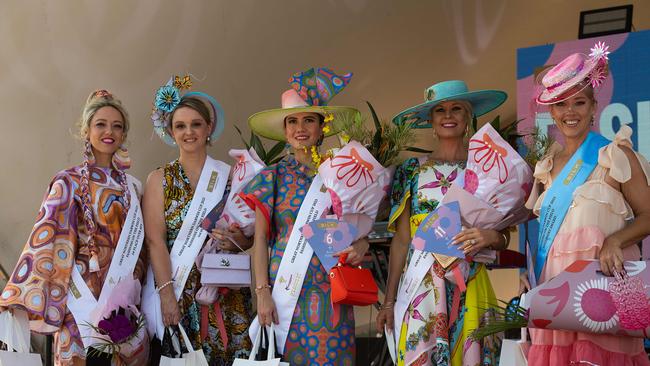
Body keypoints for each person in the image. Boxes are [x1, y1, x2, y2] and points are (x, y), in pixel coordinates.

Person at [522, 43, 650, 365]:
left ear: (595, 106)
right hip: (558, 289)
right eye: (561, 105)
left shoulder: (615, 155)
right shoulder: (546, 167)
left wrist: (616, 240)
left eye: (579, 102)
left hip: (605, 287)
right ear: (551, 112)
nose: (570, 112)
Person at [0, 90, 147, 365]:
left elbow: (143, 253)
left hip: (124, 310)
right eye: (100, 124)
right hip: (81, 307)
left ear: (124, 134)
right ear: (86, 130)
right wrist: (19, 296)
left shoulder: (135, 188)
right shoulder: (67, 182)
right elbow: (46, 242)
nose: (109, 132)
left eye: (117, 126)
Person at [376, 80, 510, 365]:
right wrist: (389, 301)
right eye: (440, 110)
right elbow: (401, 241)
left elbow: (503, 237)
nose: (448, 116)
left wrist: (490, 236)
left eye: (456, 109)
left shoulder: (486, 170)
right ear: (431, 121)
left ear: (468, 118)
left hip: (469, 282)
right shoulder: (411, 170)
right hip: (421, 287)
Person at [240, 67, 368, 365]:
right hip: (283, 293)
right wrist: (262, 293)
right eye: (293, 121)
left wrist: (362, 246)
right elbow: (259, 239)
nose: (300, 128)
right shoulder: (272, 177)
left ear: (322, 127)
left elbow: (359, 233)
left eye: (309, 120)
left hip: (332, 291)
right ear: (285, 131)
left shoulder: (340, 174)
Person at [141, 76, 252, 365]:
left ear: (209, 128)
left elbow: (248, 238)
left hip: (225, 289)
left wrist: (235, 239)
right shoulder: (158, 180)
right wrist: (167, 295)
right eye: (180, 125)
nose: (188, 132)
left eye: (196, 124)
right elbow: (155, 241)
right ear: (171, 131)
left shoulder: (230, 175)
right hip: (178, 291)